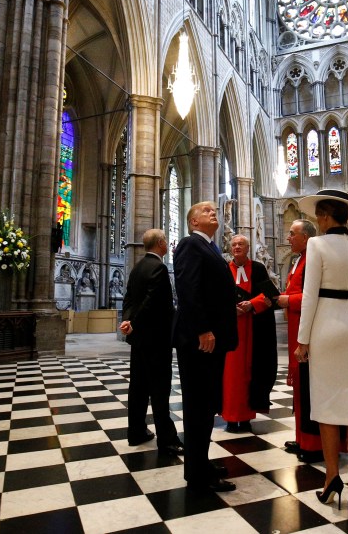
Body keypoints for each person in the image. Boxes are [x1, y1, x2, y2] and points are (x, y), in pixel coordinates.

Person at [294, 189, 348, 512]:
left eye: (318, 216)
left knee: (327, 406)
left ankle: (331, 478)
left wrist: (302, 339)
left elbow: (309, 295)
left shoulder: (317, 244)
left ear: (325, 217)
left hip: (326, 326)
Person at [172, 201, 238, 493]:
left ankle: (201, 461)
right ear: (194, 222)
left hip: (213, 340)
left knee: (207, 405)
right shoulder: (189, 245)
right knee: (198, 407)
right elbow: (188, 289)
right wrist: (203, 329)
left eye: (215, 210)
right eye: (206, 211)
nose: (214, 213)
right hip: (201, 340)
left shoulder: (210, 247)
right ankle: (196, 474)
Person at [120, 229, 183, 456]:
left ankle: (136, 432)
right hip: (156, 339)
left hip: (138, 339)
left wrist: (127, 320)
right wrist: (134, 321)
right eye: (165, 240)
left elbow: (129, 298)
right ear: (159, 243)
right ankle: (166, 440)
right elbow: (151, 302)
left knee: (137, 387)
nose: (167, 244)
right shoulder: (159, 267)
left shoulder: (137, 268)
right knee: (159, 389)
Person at [276, 219, 325, 463]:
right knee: (300, 389)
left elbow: (313, 296)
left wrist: (288, 300)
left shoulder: (313, 259)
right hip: (296, 328)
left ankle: (314, 444)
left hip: (308, 332)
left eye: (292, 233)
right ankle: (302, 437)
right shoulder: (298, 260)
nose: (288, 238)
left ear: (305, 237)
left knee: (310, 388)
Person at [221, 234, 276, 433]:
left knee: (248, 373)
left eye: (241, 244)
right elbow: (216, 295)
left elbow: (270, 294)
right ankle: (230, 416)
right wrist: (229, 308)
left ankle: (245, 417)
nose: (237, 247)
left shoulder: (258, 268)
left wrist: (251, 304)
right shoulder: (225, 269)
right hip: (230, 328)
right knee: (230, 375)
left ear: (248, 248)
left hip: (253, 329)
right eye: (234, 244)